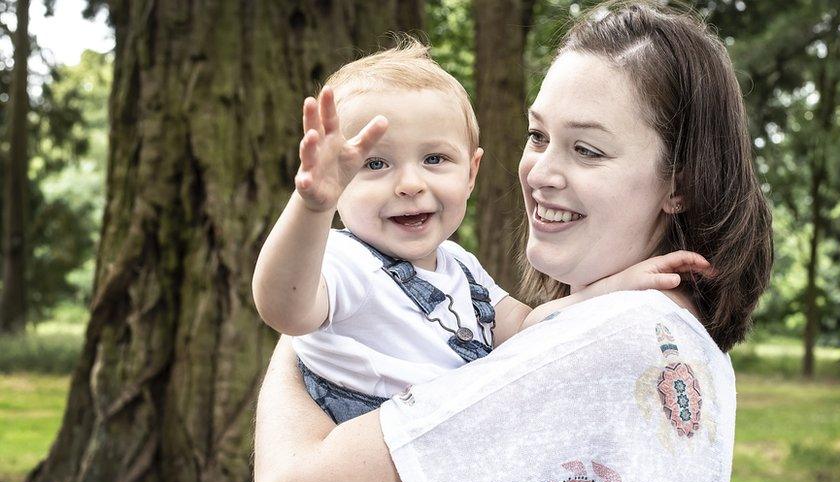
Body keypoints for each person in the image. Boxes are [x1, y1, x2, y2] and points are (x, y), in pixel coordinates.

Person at [253, 1, 773, 482]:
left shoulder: (610, 336)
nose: (540, 172)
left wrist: (305, 342)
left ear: (679, 182)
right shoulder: (667, 332)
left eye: (587, 150)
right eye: (537, 135)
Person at [252, 41, 709, 418]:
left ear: (471, 173)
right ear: (339, 182)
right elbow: (285, 309)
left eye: (434, 159)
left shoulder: (461, 268)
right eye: (375, 164)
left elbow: (527, 327)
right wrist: (312, 208)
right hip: (372, 462)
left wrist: (612, 289)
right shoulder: (346, 262)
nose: (410, 184)